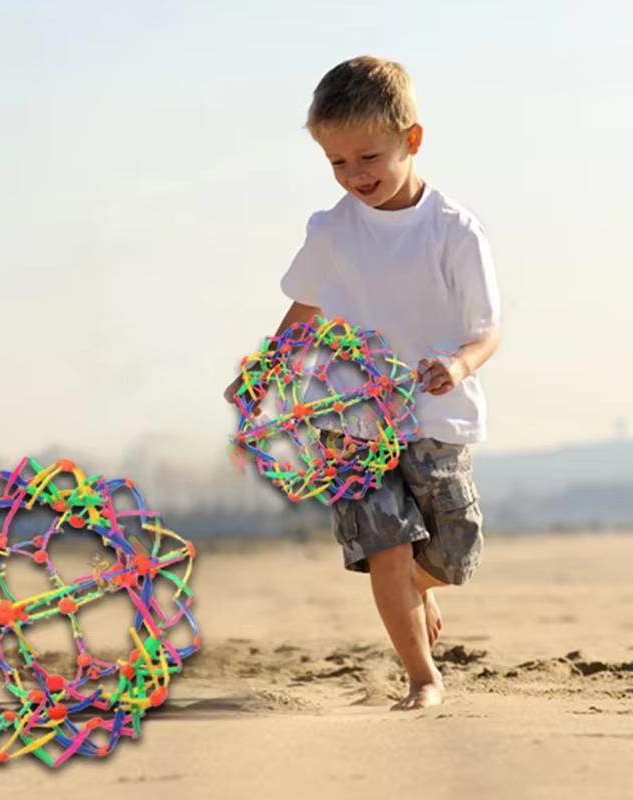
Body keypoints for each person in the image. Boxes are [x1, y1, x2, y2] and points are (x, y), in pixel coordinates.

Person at [223, 54, 501, 711]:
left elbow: (487, 330)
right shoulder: (332, 232)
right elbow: (306, 308)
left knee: (456, 551)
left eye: (368, 157)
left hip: (437, 418)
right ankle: (422, 676)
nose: (355, 176)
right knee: (386, 545)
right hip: (350, 419)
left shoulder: (454, 232)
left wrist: (457, 365)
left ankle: (418, 585)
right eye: (338, 164)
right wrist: (263, 374)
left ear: (413, 139)